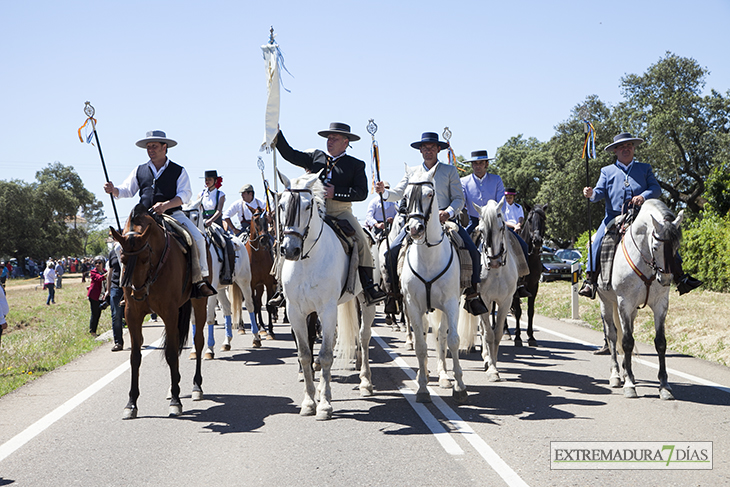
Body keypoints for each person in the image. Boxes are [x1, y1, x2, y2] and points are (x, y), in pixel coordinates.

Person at [273, 122, 387, 306]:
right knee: (288, 237)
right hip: (314, 213)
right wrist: (277, 134)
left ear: (345, 141)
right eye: (328, 138)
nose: (330, 141)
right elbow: (290, 154)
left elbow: (362, 192)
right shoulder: (315, 157)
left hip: (341, 212)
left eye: (334, 138)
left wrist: (337, 192)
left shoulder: (356, 165)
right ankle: (280, 286)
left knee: (362, 242)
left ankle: (368, 287)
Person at [579, 132, 702, 300]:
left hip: (641, 216)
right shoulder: (607, 171)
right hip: (613, 217)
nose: (626, 149)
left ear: (634, 148)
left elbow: (656, 189)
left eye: (629, 146)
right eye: (622, 147)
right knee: (597, 242)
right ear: (615, 151)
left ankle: (681, 277)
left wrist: (644, 196)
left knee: (666, 238)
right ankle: (590, 281)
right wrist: (591, 193)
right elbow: (599, 193)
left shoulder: (645, 168)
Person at [375, 132, 488, 316]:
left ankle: (472, 295)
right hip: (416, 220)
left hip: (446, 221)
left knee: (473, 251)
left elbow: (459, 199)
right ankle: (393, 294)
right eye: (425, 148)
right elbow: (398, 192)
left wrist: (448, 212)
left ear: (438, 150)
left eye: (432, 148)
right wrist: (384, 193)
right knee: (390, 252)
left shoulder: (449, 171)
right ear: (420, 150)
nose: (428, 151)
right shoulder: (412, 171)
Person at [103, 130, 215, 297]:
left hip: (173, 214)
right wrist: (114, 190)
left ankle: (201, 280)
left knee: (198, 238)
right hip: (144, 218)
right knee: (119, 246)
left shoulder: (178, 170)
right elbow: (127, 190)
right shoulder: (139, 170)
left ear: (165, 147)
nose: (150, 150)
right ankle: (125, 285)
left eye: (154, 146)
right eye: (148, 147)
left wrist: (166, 205)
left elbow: (185, 195)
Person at [461, 150, 504, 236]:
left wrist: (494, 216)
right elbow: (461, 201)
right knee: (460, 242)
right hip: (474, 221)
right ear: (472, 165)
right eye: (475, 163)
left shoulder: (496, 179)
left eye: (481, 163)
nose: (478, 166)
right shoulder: (463, 182)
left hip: (494, 220)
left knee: (522, 245)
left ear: (486, 164)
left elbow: (501, 202)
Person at [105, 243, 125, 351]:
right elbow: (110, 272)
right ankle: (118, 342)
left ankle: (137, 338)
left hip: (128, 285)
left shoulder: (129, 249)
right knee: (116, 315)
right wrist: (108, 290)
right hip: (115, 286)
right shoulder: (112, 253)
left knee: (132, 314)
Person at [87, 256, 106, 337]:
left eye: (99, 263)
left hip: (101, 296)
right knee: (95, 313)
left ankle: (94, 330)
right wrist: (108, 274)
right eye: (96, 263)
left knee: (98, 313)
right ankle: (92, 331)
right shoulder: (93, 272)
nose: (97, 264)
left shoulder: (105, 271)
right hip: (94, 296)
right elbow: (99, 278)